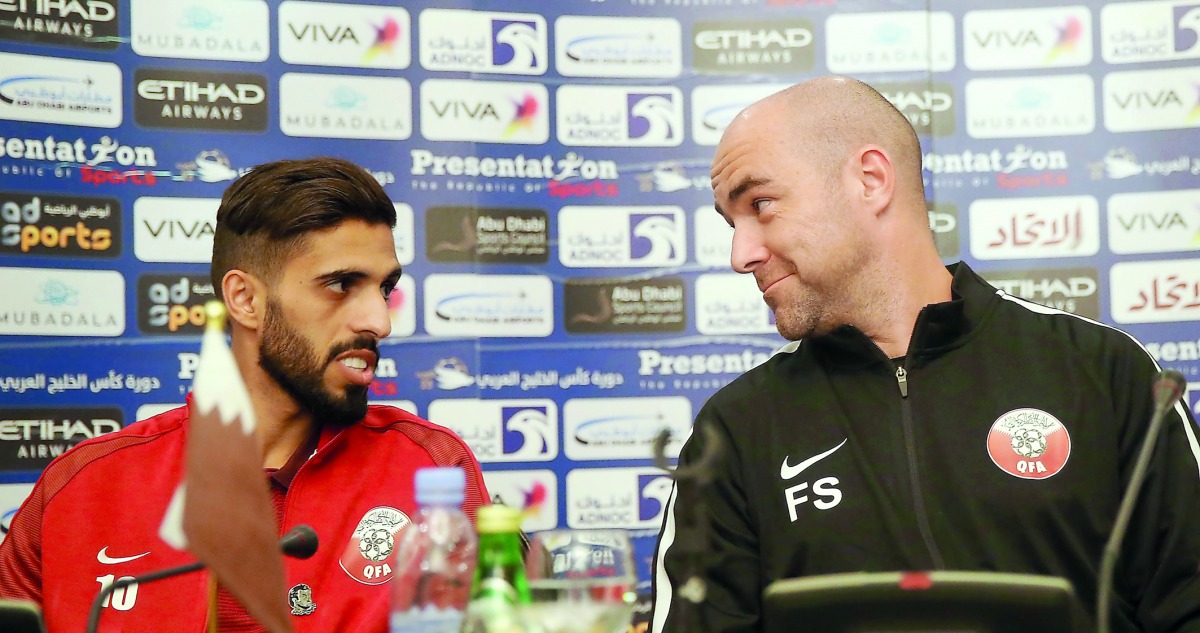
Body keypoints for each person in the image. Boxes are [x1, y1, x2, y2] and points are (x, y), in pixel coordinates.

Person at [650, 77, 1200, 633]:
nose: (741, 254)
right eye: (731, 222)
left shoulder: (1104, 372)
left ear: (870, 180)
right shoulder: (734, 431)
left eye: (760, 204)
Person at [0, 157, 490, 632]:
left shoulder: (433, 471)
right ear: (245, 299)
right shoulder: (82, 489)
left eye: (384, 289)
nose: (379, 322)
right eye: (341, 284)